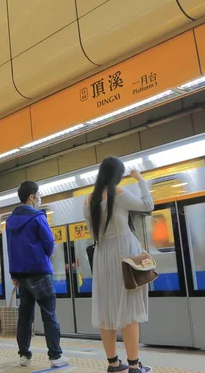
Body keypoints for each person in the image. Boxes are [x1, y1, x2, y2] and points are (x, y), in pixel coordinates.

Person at [83, 157, 154, 373]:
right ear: (116, 175)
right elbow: (148, 205)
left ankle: (113, 363)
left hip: (103, 256)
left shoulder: (88, 200)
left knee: (107, 311)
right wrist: (139, 178)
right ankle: (134, 366)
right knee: (129, 311)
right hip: (124, 255)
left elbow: (93, 231)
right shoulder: (118, 193)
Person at [5, 181, 69, 368]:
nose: (40, 197)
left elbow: (10, 249)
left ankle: (24, 355)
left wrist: (14, 273)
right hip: (40, 272)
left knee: (25, 316)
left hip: (22, 275)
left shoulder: (10, 221)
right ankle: (55, 356)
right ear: (32, 197)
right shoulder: (38, 217)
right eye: (38, 194)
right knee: (49, 314)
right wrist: (42, 257)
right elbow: (49, 242)